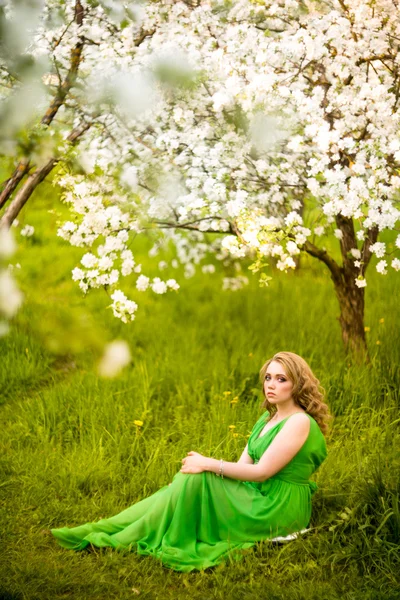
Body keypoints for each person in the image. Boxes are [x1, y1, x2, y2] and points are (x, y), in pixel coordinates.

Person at [51, 351, 330, 572]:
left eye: (281, 379)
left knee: (198, 475)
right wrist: (202, 478)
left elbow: (260, 472)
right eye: (268, 377)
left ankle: (134, 531)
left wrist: (208, 464)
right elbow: (241, 466)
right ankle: (117, 526)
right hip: (259, 494)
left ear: (298, 384)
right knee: (191, 479)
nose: (271, 384)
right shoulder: (267, 418)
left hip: (280, 507)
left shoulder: (298, 423)